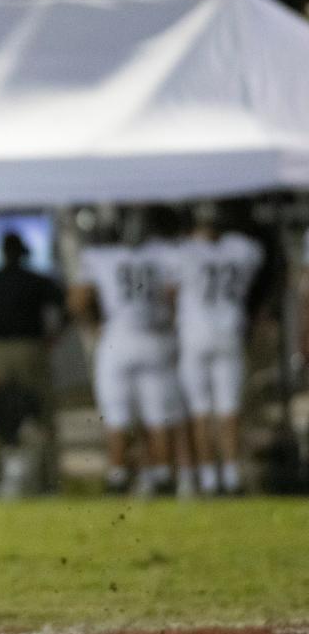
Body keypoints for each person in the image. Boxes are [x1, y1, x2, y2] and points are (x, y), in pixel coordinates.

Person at [69, 211, 184, 496]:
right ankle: (161, 474)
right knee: (158, 414)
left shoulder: (101, 257)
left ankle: (118, 474)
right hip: (154, 336)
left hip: (117, 337)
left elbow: (78, 301)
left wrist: (94, 327)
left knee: (117, 413)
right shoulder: (163, 254)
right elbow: (174, 295)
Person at [171, 200, 265, 495]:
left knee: (200, 411)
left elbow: (171, 291)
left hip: (195, 336)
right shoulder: (245, 248)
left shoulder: (184, 251)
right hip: (229, 332)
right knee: (229, 410)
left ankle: (210, 478)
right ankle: (232, 476)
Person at [0, 231, 66, 493]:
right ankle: (48, 482)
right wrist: (54, 338)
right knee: (40, 414)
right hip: (29, 349)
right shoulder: (37, 280)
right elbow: (66, 308)